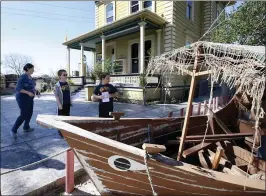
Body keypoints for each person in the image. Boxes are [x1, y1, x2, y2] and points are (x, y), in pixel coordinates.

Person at [10, 63, 40, 138]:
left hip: (30, 98)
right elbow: (18, 88)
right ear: (28, 69)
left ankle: (26, 127)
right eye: (32, 69)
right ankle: (13, 130)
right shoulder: (22, 77)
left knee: (29, 113)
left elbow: (32, 87)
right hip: (22, 98)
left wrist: (36, 91)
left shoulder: (30, 77)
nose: (33, 70)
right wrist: (28, 92)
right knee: (23, 114)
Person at [54, 69, 72, 137]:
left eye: (66, 74)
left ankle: (66, 130)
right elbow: (56, 95)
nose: (66, 76)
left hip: (67, 104)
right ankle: (61, 132)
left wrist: (70, 101)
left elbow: (69, 93)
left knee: (67, 117)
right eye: (64, 75)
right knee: (61, 118)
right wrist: (59, 104)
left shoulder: (68, 84)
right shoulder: (57, 85)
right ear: (60, 76)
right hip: (61, 104)